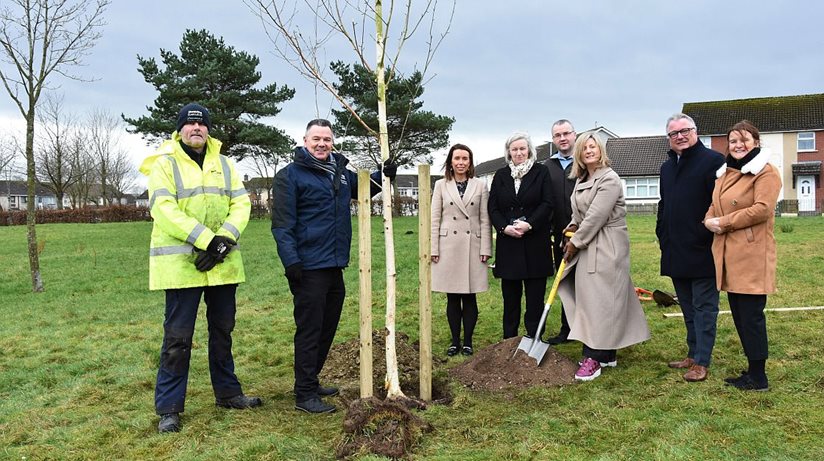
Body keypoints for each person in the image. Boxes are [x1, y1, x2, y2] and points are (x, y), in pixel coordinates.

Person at [140, 103, 261, 434]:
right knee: (178, 338)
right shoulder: (163, 165)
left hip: (222, 264)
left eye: (202, 123)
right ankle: (169, 407)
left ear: (208, 129)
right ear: (179, 130)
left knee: (223, 331)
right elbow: (163, 209)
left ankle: (228, 393)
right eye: (190, 123)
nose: (196, 128)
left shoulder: (224, 164)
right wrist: (208, 240)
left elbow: (241, 204)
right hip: (182, 266)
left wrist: (224, 241)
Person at [272, 119, 396, 414]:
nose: (321, 144)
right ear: (304, 141)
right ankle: (304, 394)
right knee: (310, 329)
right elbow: (282, 224)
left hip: (335, 264)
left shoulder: (339, 174)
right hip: (308, 266)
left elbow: (365, 188)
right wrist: (292, 262)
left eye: (327, 139)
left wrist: (385, 174)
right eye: (316, 139)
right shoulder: (290, 175)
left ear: (332, 142)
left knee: (327, 327)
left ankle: (311, 380)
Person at [556, 133, 651, 381]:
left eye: (593, 146)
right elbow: (579, 214)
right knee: (594, 299)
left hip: (607, 246)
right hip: (589, 243)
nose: (589, 151)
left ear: (600, 150)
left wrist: (576, 242)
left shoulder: (609, 178)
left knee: (601, 301)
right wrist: (571, 229)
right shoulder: (582, 178)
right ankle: (607, 354)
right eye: (584, 148)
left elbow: (597, 216)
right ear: (578, 153)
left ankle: (593, 358)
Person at [704, 121, 781, 391]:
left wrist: (723, 222)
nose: (738, 145)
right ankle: (751, 370)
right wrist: (709, 219)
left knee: (751, 317)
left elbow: (762, 209)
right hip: (729, 254)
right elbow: (714, 204)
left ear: (756, 142)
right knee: (739, 314)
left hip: (751, 254)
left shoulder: (765, 172)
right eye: (733, 141)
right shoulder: (727, 173)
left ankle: (759, 377)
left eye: (744, 140)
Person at [657, 113, 725, 382]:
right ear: (669, 138)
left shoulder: (714, 162)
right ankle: (693, 353)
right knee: (686, 306)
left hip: (703, 248)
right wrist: (661, 231)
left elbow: (719, 203)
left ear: (695, 132)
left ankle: (703, 362)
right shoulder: (666, 167)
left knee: (704, 307)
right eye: (674, 134)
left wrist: (702, 231)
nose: (680, 136)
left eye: (685, 131)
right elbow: (665, 202)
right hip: (675, 249)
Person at [488, 132, 554, 339]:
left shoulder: (541, 172)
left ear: (529, 150)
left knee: (535, 297)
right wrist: (503, 228)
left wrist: (530, 224)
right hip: (509, 245)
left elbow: (548, 203)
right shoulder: (500, 175)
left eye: (522, 149)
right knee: (511, 298)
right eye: (514, 149)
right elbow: (493, 207)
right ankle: (509, 339)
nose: (518, 153)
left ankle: (534, 336)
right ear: (508, 152)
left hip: (535, 243)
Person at [431, 143, 492, 357]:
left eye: (465, 159)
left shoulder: (480, 185)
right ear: (450, 161)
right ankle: (454, 341)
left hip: (473, 246)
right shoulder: (440, 185)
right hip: (448, 246)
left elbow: (485, 219)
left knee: (470, 296)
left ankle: (468, 342)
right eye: (457, 158)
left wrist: (486, 247)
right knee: (452, 297)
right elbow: (435, 218)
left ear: (470, 162)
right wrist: (433, 248)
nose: (461, 162)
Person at [544, 119, 577, 345]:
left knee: (585, 284)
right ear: (553, 139)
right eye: (558, 135)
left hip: (585, 233)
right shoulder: (547, 166)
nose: (563, 138)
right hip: (558, 234)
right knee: (563, 282)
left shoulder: (585, 161)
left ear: (574, 135)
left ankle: (585, 330)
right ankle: (567, 329)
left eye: (566, 133)